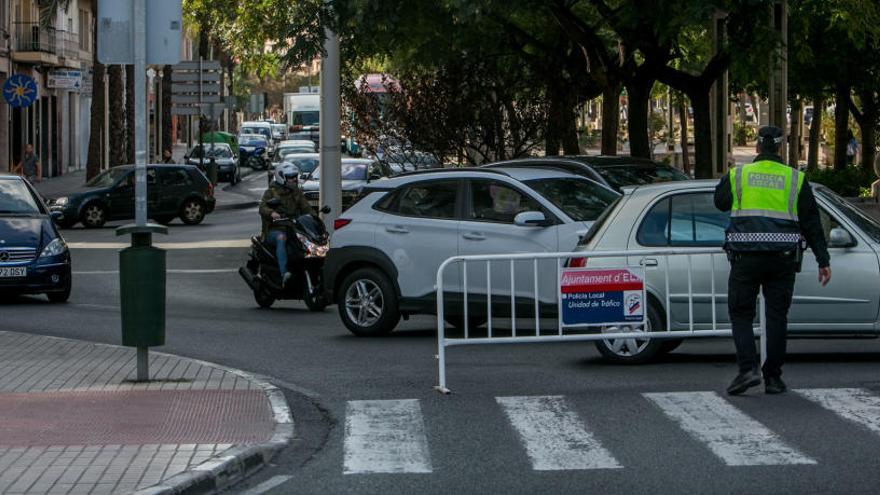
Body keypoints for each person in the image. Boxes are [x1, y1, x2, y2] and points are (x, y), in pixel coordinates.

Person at [715, 125, 832, 396]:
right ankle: (774, 379)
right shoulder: (794, 178)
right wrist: (823, 259)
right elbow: (812, 222)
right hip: (783, 258)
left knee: (741, 314)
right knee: (777, 317)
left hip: (745, 258)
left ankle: (748, 369)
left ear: (757, 147)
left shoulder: (739, 175)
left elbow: (720, 203)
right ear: (780, 148)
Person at [259, 163, 313, 287]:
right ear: (281, 177)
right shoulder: (271, 192)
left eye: (295, 176)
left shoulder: (296, 192)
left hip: (293, 229)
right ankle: (284, 273)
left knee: (307, 243)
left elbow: (307, 208)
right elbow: (262, 207)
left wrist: (315, 219)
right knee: (281, 238)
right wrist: (272, 213)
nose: (294, 179)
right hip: (274, 229)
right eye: (290, 177)